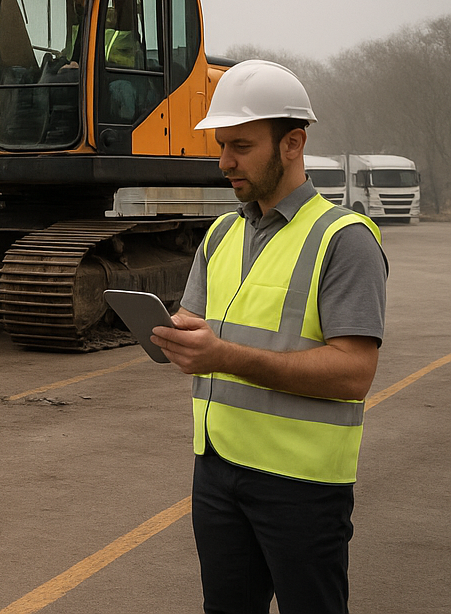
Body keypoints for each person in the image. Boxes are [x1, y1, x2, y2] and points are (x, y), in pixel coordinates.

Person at [151, 59, 387, 614]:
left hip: (301, 484)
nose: (224, 161)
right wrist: (176, 334)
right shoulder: (223, 230)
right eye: (221, 145)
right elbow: (196, 321)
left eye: (241, 146)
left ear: (293, 143)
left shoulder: (344, 239)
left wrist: (223, 355)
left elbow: (354, 373)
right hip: (216, 470)